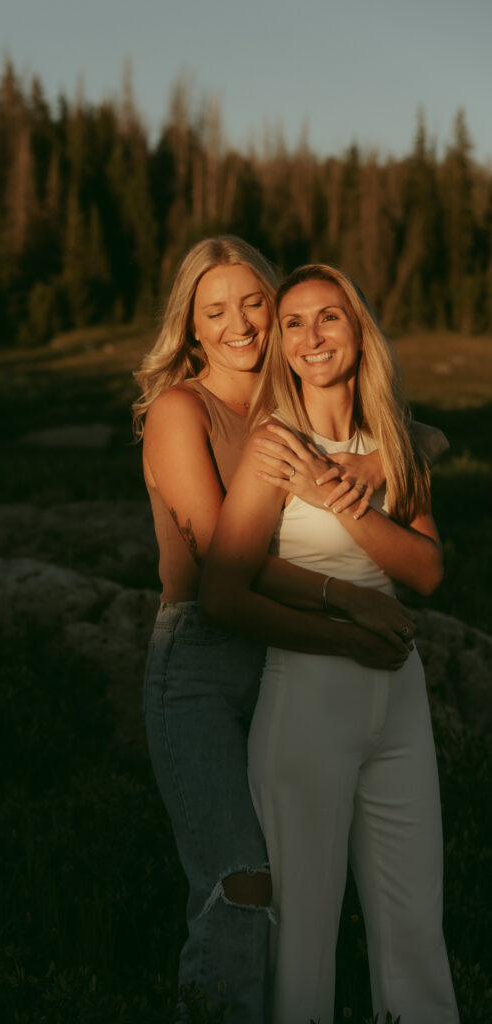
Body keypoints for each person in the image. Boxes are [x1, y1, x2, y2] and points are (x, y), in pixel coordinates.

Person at [133, 238, 428, 1023]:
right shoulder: (179, 410)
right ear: (191, 329)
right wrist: (347, 602)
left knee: (295, 889)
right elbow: (220, 566)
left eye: (253, 303)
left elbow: (416, 437)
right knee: (241, 880)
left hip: (279, 656)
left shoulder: (286, 406)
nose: (239, 324)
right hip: (198, 660)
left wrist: (368, 471)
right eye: (214, 310)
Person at [200, 263, 459, 1023]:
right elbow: (221, 590)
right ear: (281, 345)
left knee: (414, 919)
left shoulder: (393, 443)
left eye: (330, 318)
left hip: (398, 703)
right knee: (302, 932)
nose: (312, 337)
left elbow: (427, 570)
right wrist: (343, 633)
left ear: (359, 331)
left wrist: (343, 501)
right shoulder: (275, 445)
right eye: (294, 323)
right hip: (308, 698)